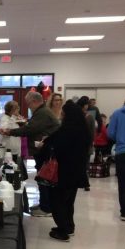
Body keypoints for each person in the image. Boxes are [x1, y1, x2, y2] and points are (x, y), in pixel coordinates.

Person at [38, 100, 89, 241]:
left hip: (63, 172)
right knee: (69, 202)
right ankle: (69, 226)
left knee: (57, 201)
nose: (61, 114)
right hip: (77, 172)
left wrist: (45, 145)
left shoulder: (66, 131)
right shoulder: (83, 130)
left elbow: (57, 149)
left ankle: (62, 231)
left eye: (63, 112)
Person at [5, 91, 60, 216]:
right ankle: (44, 204)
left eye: (29, 104)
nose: (28, 106)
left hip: (45, 151)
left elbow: (31, 129)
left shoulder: (42, 113)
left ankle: (45, 208)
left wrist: (10, 132)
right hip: (44, 150)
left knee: (44, 178)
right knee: (42, 177)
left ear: (35, 101)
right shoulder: (42, 111)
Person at [107, 98, 125, 221]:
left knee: (123, 183)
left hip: (122, 152)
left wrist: (120, 137)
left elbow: (110, 134)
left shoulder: (117, 114)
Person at [76, 96, 96, 191]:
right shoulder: (90, 117)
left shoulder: (75, 116)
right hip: (87, 144)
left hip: (76, 145)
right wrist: (91, 143)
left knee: (77, 164)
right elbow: (92, 133)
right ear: (85, 105)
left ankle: (77, 181)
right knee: (86, 165)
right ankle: (85, 183)